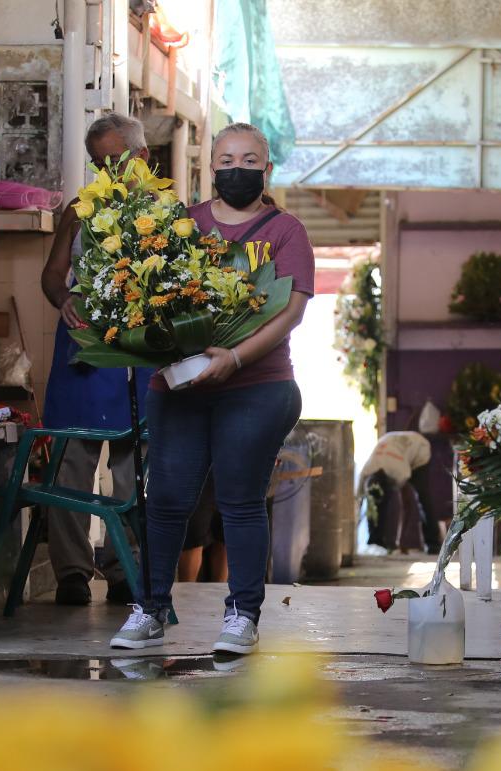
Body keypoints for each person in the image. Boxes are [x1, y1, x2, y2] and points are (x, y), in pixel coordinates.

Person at [110, 122, 314, 654]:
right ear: (211, 167)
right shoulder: (179, 225)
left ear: (266, 169)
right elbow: (146, 292)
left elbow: (290, 310)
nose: (237, 169)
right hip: (179, 386)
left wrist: (237, 356)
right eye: (227, 159)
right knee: (166, 501)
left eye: (250, 160)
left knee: (240, 501)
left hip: (258, 387)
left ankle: (242, 615)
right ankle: (150, 608)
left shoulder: (286, 232)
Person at [39, 112, 153, 606]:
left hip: (142, 355)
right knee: (70, 464)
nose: (108, 173)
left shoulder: (167, 213)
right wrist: (62, 299)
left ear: (143, 157)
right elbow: (52, 275)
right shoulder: (80, 211)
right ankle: (71, 573)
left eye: (117, 161)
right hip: (84, 349)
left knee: (134, 470)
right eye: (99, 165)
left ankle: (124, 569)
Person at [361, 429, 441, 553]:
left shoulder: (399, 471)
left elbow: (406, 503)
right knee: (376, 502)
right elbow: (360, 497)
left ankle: (433, 543)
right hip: (394, 447)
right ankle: (376, 541)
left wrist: (401, 540)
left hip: (420, 449)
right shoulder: (366, 470)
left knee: (422, 496)